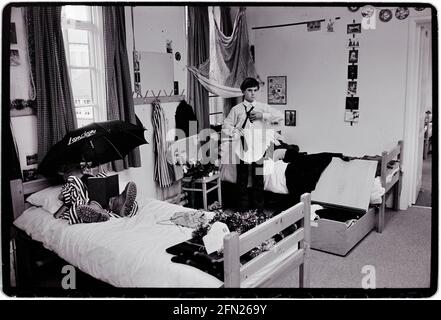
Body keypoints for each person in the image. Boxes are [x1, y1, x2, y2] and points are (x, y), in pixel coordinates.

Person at [222, 77, 283, 212]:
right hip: (242, 149)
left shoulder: (263, 107)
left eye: (255, 90)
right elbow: (226, 126)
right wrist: (235, 130)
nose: (253, 93)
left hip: (259, 150)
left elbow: (280, 117)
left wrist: (262, 116)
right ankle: (242, 211)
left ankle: (258, 211)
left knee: (258, 180)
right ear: (243, 91)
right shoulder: (236, 109)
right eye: (249, 90)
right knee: (242, 181)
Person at [55, 162, 138, 224]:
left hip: (102, 197)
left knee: (101, 178)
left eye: (64, 176)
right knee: (80, 187)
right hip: (89, 199)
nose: (85, 169)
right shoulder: (72, 181)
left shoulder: (87, 176)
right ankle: (104, 207)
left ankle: (117, 202)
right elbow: (66, 197)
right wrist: (64, 194)